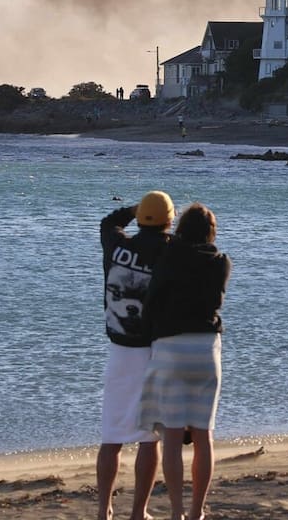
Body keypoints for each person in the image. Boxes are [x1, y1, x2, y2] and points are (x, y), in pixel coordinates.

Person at [140, 204, 231, 520]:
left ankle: (177, 511)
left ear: (180, 229)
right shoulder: (220, 262)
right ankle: (196, 512)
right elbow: (216, 300)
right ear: (210, 232)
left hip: (171, 346)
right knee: (204, 436)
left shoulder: (169, 259)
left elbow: (151, 303)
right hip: (206, 348)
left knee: (173, 437)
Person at [98, 191, 175, 520]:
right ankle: (138, 512)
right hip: (153, 351)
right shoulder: (171, 252)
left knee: (112, 436)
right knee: (149, 437)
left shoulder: (117, 246)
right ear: (169, 221)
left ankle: (103, 510)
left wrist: (133, 209)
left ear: (141, 217)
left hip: (119, 350)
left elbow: (109, 222)